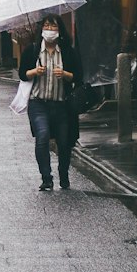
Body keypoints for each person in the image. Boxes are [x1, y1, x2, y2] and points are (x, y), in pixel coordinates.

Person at [19, 16, 84, 192]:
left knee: (64, 142)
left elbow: (79, 76)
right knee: (42, 137)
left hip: (62, 105)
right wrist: (34, 71)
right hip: (38, 103)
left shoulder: (67, 52)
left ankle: (64, 174)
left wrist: (65, 74)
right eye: (47, 25)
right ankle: (46, 178)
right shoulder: (32, 51)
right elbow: (22, 74)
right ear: (41, 29)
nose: (50, 29)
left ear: (59, 30)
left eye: (53, 25)